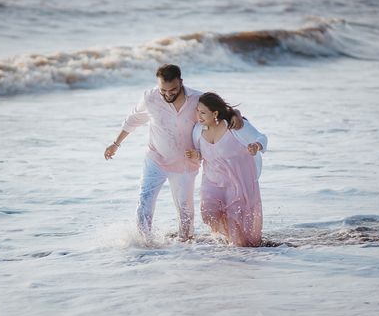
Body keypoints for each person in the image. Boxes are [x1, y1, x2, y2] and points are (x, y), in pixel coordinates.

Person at [104, 65, 243, 241]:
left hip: (185, 164)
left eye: (173, 90)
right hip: (156, 160)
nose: (168, 94)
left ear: (181, 82)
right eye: (163, 90)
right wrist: (115, 144)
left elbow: (222, 112)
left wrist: (236, 115)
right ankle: (143, 244)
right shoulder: (150, 98)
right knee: (144, 202)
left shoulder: (197, 99)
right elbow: (133, 119)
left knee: (185, 210)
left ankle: (184, 247)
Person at [185, 92, 267, 247]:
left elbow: (262, 137)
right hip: (212, 181)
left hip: (237, 182)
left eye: (202, 112)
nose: (198, 115)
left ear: (215, 113)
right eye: (197, 111)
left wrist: (256, 146)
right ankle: (227, 240)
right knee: (208, 213)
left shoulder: (234, 126)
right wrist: (196, 154)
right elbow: (204, 153)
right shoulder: (197, 130)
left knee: (235, 222)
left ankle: (239, 253)